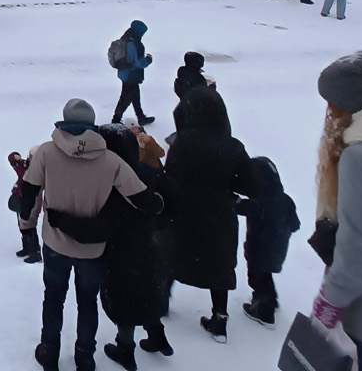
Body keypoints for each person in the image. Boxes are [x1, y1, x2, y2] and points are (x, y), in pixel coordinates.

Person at [15, 98, 155, 371]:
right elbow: (142, 199)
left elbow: (29, 194)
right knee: (87, 302)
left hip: (55, 244)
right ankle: (85, 356)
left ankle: (49, 351)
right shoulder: (111, 161)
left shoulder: (46, 153)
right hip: (92, 248)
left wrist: (27, 227)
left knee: (54, 298)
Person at [311, 51, 362, 367]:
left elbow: (356, 247)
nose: (327, 110)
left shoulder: (361, 157)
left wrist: (330, 303)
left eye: (330, 101)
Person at [163, 84, 252, 342]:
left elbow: (171, 177)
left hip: (184, 212)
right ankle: (219, 318)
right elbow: (247, 185)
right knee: (219, 265)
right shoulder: (233, 145)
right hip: (220, 214)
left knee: (173, 255)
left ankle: (162, 301)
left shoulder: (183, 142)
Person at [95, 123, 173, 369]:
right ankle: (158, 337)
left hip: (119, 251)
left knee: (124, 301)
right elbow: (173, 200)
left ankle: (125, 349)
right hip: (149, 245)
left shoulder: (105, 179)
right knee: (148, 291)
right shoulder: (147, 172)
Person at [239, 154, 298, 326]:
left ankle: (264, 311)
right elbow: (295, 224)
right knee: (265, 275)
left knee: (257, 277)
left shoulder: (260, 202)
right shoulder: (285, 199)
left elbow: (240, 207)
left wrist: (232, 201)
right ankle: (270, 299)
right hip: (278, 249)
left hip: (259, 248)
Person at [112, 20, 153, 126]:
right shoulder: (135, 43)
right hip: (131, 74)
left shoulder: (125, 38)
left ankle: (141, 117)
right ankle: (116, 120)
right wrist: (148, 60)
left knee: (135, 96)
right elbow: (139, 63)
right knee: (126, 99)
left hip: (124, 73)